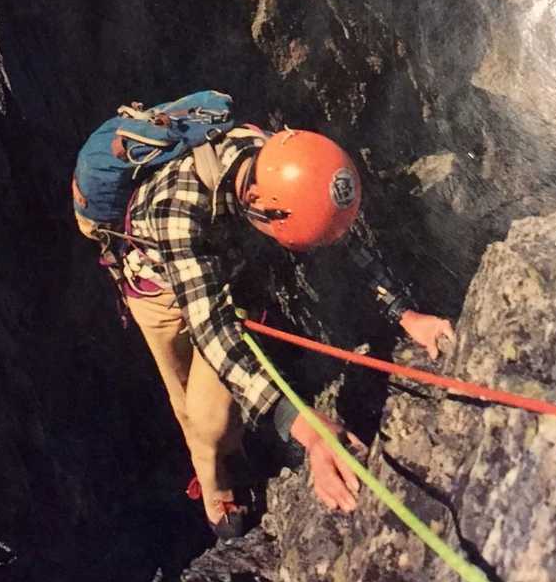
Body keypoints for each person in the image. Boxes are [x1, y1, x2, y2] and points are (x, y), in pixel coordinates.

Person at [114, 123, 455, 539]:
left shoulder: (283, 166)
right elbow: (212, 330)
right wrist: (306, 429)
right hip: (158, 295)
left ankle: (229, 449)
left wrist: (405, 314)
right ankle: (214, 481)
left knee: (212, 417)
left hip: (225, 276)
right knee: (187, 406)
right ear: (255, 202)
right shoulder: (177, 211)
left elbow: (343, 238)